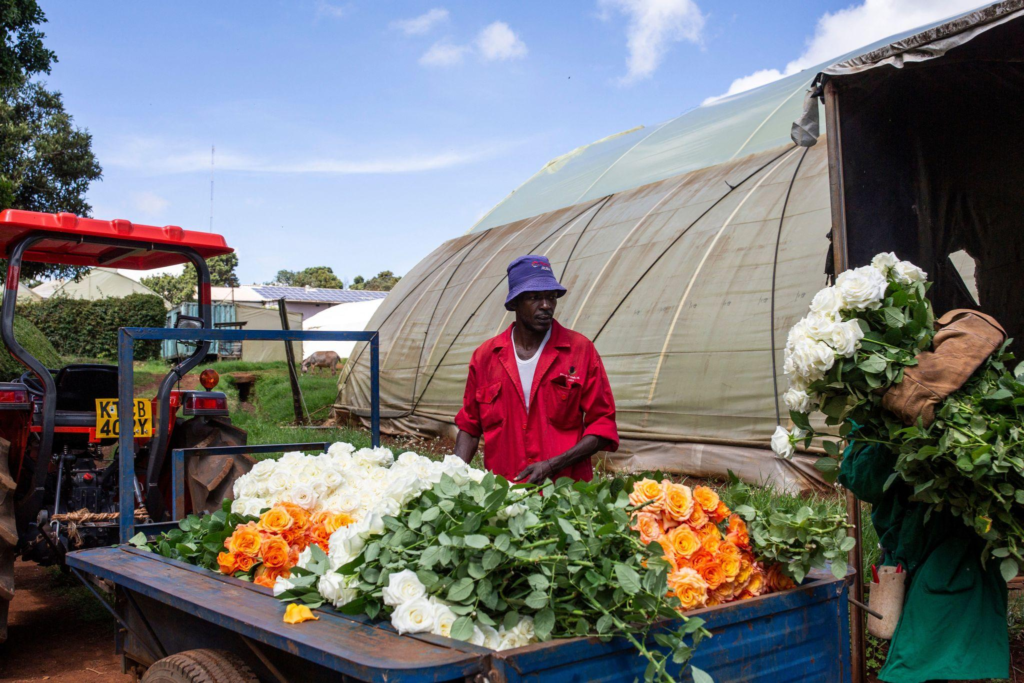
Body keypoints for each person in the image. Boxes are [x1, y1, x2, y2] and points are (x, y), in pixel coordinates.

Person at [453, 254, 618, 483]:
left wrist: (553, 465)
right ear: (514, 303)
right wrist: (448, 478)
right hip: (503, 496)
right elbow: (470, 427)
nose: (546, 305)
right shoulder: (485, 358)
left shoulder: (580, 351)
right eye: (534, 297)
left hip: (565, 493)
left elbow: (603, 425)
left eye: (551, 297)